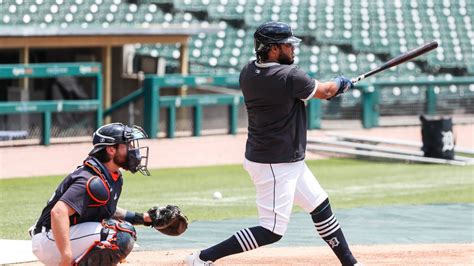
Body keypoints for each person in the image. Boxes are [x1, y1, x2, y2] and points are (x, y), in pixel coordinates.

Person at [186, 21, 360, 265]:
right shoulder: (289, 75)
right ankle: (202, 258)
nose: (293, 49)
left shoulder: (248, 71)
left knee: (320, 206)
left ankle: (350, 263)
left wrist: (335, 87)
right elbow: (326, 91)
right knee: (271, 230)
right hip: (276, 162)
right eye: (289, 45)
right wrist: (342, 83)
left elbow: (307, 89)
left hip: (281, 158)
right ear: (274, 49)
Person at [29, 122, 167, 265]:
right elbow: (58, 212)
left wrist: (144, 218)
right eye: (128, 145)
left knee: (120, 229)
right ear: (111, 150)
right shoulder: (89, 179)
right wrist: (66, 255)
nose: (133, 150)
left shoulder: (111, 176)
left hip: (62, 236)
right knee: (119, 234)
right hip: (49, 240)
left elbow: (107, 211)